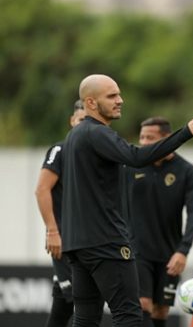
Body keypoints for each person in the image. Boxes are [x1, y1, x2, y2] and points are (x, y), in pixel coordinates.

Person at [60, 74, 193, 327]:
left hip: (78, 244)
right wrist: (185, 132)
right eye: (111, 96)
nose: (120, 100)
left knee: (86, 318)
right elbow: (136, 156)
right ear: (90, 102)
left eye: (119, 94)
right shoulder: (98, 133)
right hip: (105, 243)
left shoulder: (75, 136)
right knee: (129, 316)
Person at [122, 117, 193, 327]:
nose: (144, 142)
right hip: (137, 250)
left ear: (167, 139)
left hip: (169, 254)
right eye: (142, 137)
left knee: (161, 310)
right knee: (143, 304)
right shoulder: (130, 167)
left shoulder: (187, 171)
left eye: (150, 137)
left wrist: (183, 251)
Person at [35, 100, 86, 327]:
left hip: (91, 240)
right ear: (72, 121)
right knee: (78, 300)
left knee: (65, 305)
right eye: (81, 121)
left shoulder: (99, 153)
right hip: (65, 242)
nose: (84, 126)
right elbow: (42, 189)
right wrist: (53, 231)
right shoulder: (61, 150)